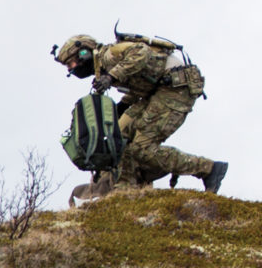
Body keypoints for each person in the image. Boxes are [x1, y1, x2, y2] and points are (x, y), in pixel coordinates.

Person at [52, 32, 229, 196]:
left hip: (176, 89)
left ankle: (209, 169)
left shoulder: (109, 54)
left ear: (83, 53)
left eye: (71, 63)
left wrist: (112, 77)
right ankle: (125, 189)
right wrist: (122, 106)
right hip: (158, 91)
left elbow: (141, 53)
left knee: (142, 148)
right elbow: (139, 83)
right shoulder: (103, 67)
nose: (71, 69)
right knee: (119, 138)